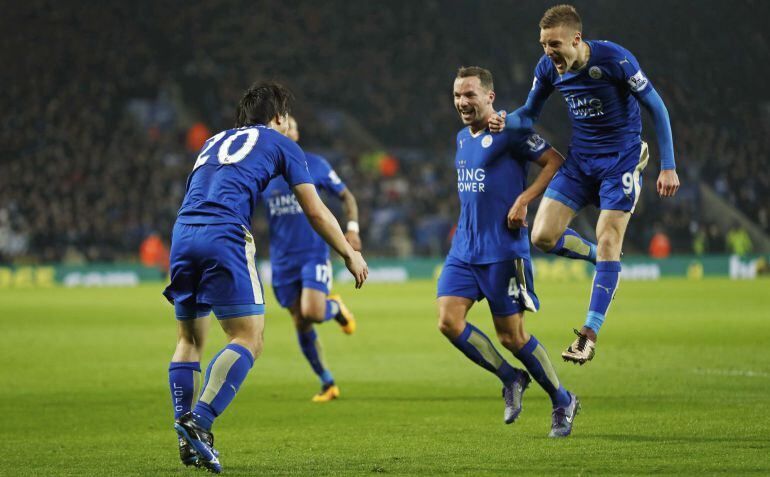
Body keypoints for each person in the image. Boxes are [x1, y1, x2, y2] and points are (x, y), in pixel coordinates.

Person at [162, 82, 368, 473]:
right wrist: (349, 252)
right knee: (248, 338)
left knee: (188, 340)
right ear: (277, 117)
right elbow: (316, 210)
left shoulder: (213, 140)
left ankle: (183, 433)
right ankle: (200, 422)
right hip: (224, 234)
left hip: (183, 232)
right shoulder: (281, 143)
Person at [489, 4, 680, 364]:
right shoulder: (548, 68)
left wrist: (668, 166)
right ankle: (602, 261)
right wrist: (504, 120)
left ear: (576, 39)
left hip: (620, 160)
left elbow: (657, 108)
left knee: (609, 236)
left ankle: (588, 334)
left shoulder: (615, 59)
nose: (548, 51)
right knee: (541, 236)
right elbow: (529, 114)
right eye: (544, 44)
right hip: (580, 162)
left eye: (554, 44)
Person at [437, 66, 579, 437]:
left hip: (503, 249)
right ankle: (510, 377)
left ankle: (562, 398)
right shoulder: (460, 139)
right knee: (448, 322)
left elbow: (555, 162)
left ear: (490, 97)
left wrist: (524, 200)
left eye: (469, 94)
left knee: (512, 337)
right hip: (465, 249)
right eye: (457, 95)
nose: (462, 102)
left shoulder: (511, 132)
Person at [261, 115, 362, 402]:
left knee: (314, 312)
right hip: (281, 259)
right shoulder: (264, 171)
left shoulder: (315, 164)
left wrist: (351, 230)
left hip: (313, 253)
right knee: (300, 321)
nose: (282, 129)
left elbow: (347, 197)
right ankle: (327, 382)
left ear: (295, 133)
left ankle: (335, 308)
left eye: (288, 125)